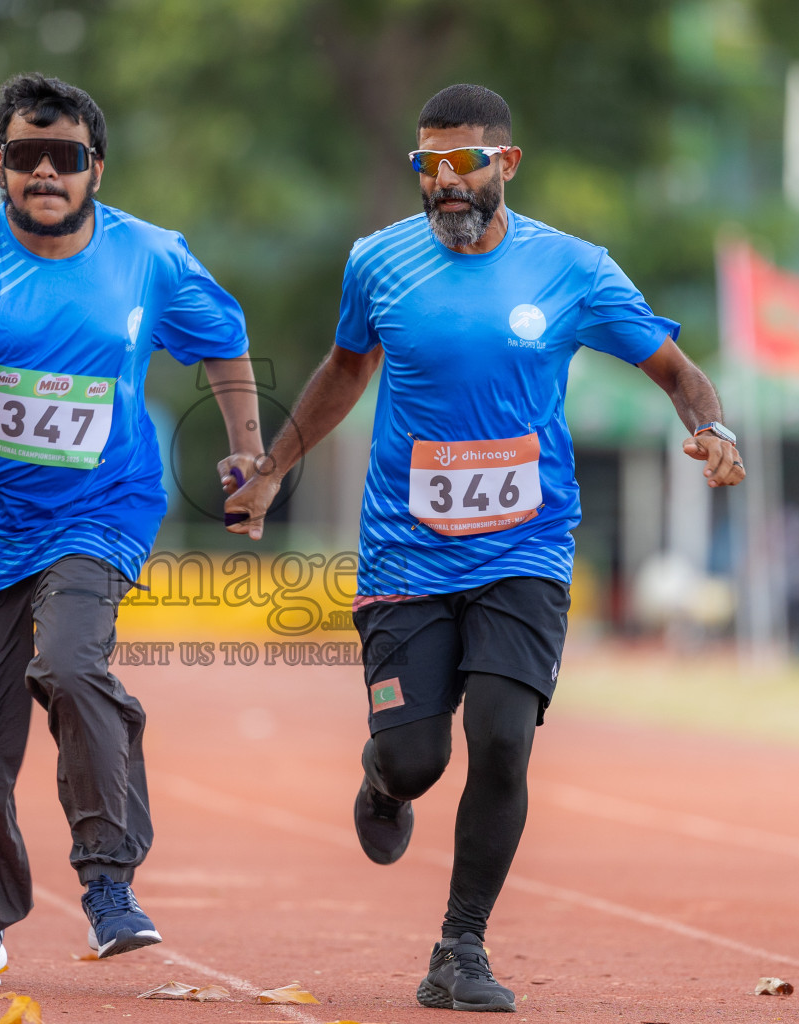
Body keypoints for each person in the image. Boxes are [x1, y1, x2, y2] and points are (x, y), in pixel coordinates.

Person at [223, 84, 744, 1013]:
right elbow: (347, 369)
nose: (445, 184)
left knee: (504, 741)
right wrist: (273, 468)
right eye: (429, 166)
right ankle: (383, 781)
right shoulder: (378, 262)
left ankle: (458, 947)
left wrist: (714, 429)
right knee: (418, 758)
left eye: (464, 164)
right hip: (406, 552)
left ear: (506, 163)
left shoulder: (576, 270)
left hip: (526, 548)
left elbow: (678, 371)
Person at [0, 72, 262, 987]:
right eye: (26, 156)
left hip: (101, 509)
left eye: (65, 157)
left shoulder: (150, 256)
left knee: (67, 662)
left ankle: (108, 883)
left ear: (96, 167)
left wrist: (251, 456)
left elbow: (221, 338)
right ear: (2, 166)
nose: (44, 174)